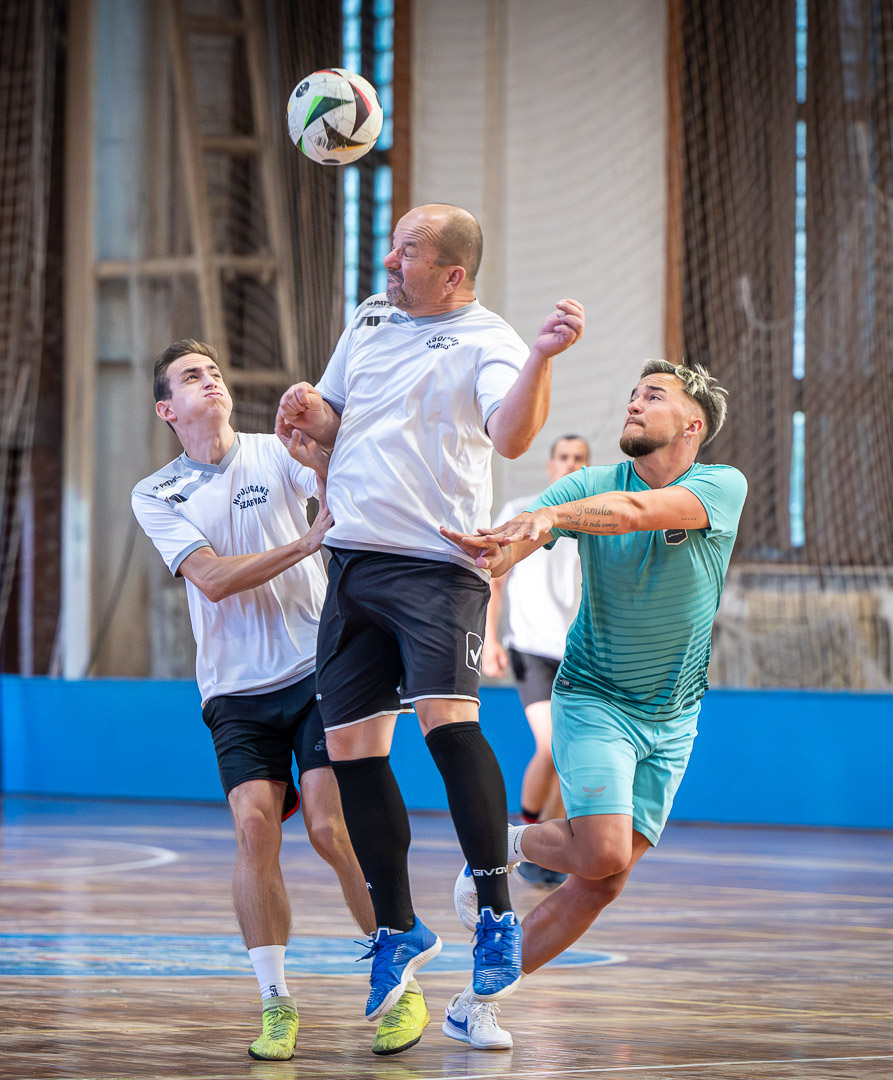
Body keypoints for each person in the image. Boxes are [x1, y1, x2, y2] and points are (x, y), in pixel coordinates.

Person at [276, 202, 584, 1052]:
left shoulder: (488, 340)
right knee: (351, 754)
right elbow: (341, 420)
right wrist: (309, 413)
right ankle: (397, 926)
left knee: (450, 727)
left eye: (406, 250)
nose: (389, 261)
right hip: (352, 564)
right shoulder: (370, 319)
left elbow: (510, 435)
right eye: (390, 246)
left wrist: (542, 358)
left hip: (434, 566)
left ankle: (494, 914)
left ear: (451, 273)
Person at [445, 360, 744, 1048]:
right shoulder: (588, 484)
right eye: (633, 394)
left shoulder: (720, 485)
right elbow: (524, 536)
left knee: (604, 880)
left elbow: (637, 513)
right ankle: (501, 848)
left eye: (653, 396)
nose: (634, 403)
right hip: (595, 698)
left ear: (692, 425)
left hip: (674, 715)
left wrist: (550, 517)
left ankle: (474, 1000)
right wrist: (492, 552)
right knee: (603, 849)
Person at [131, 340, 415, 1059]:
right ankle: (276, 1003)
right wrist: (306, 543)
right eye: (191, 377)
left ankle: (400, 978)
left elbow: (336, 474)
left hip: (316, 668)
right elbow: (213, 579)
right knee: (254, 830)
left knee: (328, 828)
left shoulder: (272, 451)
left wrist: (319, 436)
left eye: (213, 371)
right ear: (167, 409)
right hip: (234, 691)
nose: (209, 380)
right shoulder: (156, 492)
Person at [480, 434, 590, 888]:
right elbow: (494, 578)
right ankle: (519, 837)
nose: (570, 464)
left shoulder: (595, 520)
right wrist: (490, 639)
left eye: (579, 459)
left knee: (574, 756)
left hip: (578, 652)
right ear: (550, 466)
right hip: (531, 648)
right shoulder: (522, 510)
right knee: (551, 746)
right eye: (563, 457)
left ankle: (549, 846)